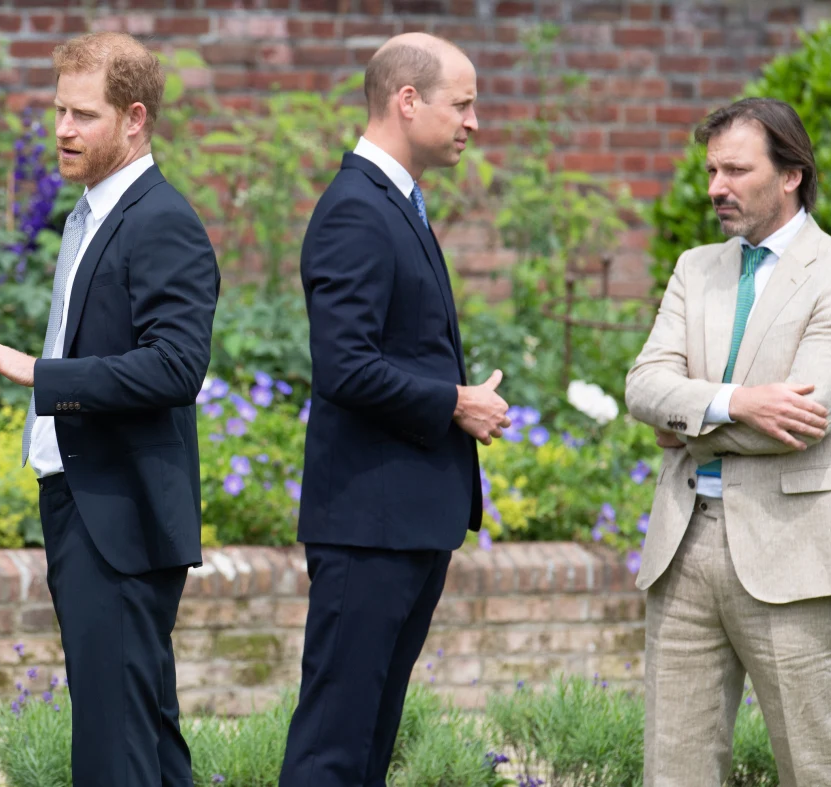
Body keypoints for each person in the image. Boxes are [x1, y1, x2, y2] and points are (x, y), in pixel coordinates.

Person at [0, 32, 219, 787]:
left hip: (120, 517)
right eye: (58, 111)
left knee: (113, 747)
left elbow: (176, 366)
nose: (62, 130)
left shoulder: (160, 219)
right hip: (85, 502)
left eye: (83, 115)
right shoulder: (92, 212)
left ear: (135, 119)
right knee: (144, 737)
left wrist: (43, 374)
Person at [625, 97, 831, 785]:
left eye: (736, 169)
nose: (716, 187)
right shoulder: (696, 267)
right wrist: (738, 402)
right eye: (712, 170)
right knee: (673, 771)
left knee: (816, 769)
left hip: (796, 551)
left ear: (791, 175)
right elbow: (645, 384)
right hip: (683, 550)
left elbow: (803, 422)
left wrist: (687, 422)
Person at [278, 33, 509, 787]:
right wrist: (454, 402)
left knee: (369, 741)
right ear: (407, 101)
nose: (475, 122)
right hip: (367, 527)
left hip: (403, 521)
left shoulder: (395, 203)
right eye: (464, 103)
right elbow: (345, 367)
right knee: (334, 746)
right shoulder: (355, 210)